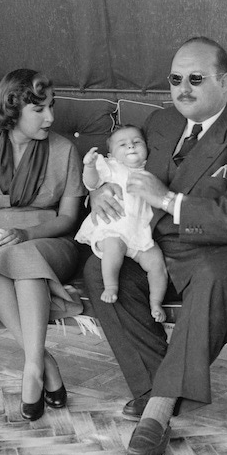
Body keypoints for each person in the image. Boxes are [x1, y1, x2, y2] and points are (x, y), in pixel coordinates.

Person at [83, 36, 227, 455]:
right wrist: (100, 191)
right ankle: (154, 386)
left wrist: (167, 201)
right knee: (101, 268)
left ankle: (157, 411)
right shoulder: (161, 123)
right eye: (175, 78)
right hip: (163, 244)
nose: (183, 88)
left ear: (225, 81)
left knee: (214, 278)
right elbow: (125, 170)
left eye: (196, 78)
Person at [0, 68, 86, 422]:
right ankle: (40, 362)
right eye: (39, 110)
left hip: (49, 238)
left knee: (24, 257)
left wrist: (27, 235)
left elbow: (69, 217)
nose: (51, 117)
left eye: (52, 107)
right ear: (14, 109)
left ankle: (31, 368)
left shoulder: (63, 149)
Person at [75, 125, 168, 322]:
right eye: (123, 144)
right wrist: (90, 166)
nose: (131, 147)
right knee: (113, 247)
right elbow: (91, 184)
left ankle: (156, 302)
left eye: (137, 142)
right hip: (114, 226)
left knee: (156, 263)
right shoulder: (111, 166)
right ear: (111, 154)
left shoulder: (152, 170)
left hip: (140, 232)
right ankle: (111, 286)